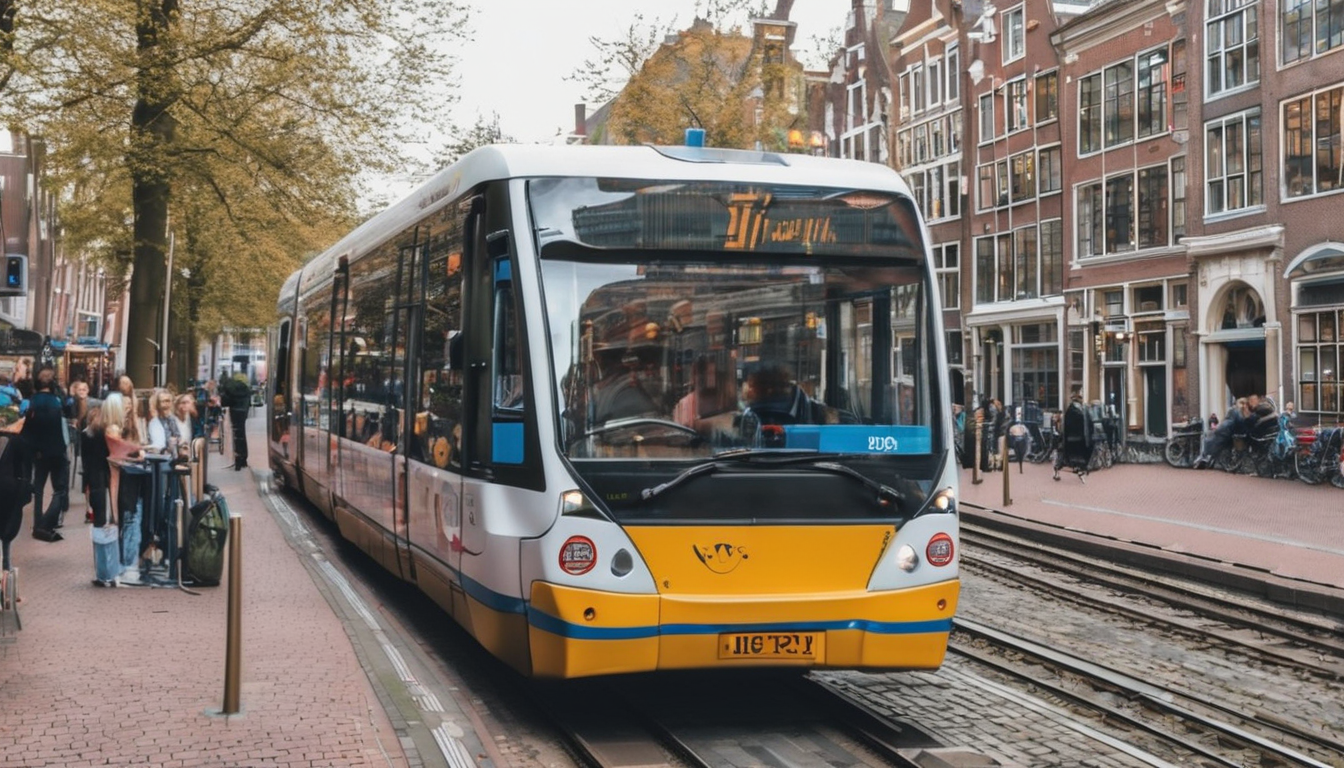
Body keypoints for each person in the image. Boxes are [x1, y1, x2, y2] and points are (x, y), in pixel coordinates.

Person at [103, 392, 147, 584]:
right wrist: (137, 453)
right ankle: (127, 565)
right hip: (120, 481)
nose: (128, 408)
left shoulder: (122, 426)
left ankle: (122, 564)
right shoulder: (113, 428)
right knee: (128, 519)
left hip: (122, 480)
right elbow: (117, 455)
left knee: (126, 519)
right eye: (125, 405)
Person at [22, 368, 71, 541]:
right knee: (59, 489)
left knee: (39, 489)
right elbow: (68, 411)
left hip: (39, 452)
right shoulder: (56, 401)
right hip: (56, 449)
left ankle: (37, 523)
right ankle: (47, 521)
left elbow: (26, 426)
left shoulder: (31, 402)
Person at [81, 403, 118, 587]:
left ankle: (101, 573)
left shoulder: (85, 435)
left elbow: (85, 464)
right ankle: (112, 572)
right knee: (111, 525)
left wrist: (84, 488)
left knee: (98, 528)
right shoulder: (108, 435)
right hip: (109, 482)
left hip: (95, 484)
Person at [1194, 397, 1250, 469]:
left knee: (1208, 439)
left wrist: (1218, 428)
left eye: (1243, 403)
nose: (1242, 405)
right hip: (1232, 432)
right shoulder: (1241, 412)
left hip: (1226, 433)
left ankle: (1204, 457)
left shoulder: (1234, 411)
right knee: (1211, 439)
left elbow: (1229, 423)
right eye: (1242, 403)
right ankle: (1207, 458)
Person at [1054, 387, 1095, 481]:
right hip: (1075, 438)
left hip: (1074, 438)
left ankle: (1074, 469)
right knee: (1073, 457)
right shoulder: (1075, 411)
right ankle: (1075, 470)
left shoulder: (1074, 410)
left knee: (1071, 457)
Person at [220, 373, 252, 470]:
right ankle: (243, 459)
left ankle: (237, 458)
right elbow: (249, 403)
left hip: (234, 412)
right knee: (242, 434)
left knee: (236, 434)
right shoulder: (246, 389)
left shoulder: (230, 388)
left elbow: (225, 401)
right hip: (243, 412)